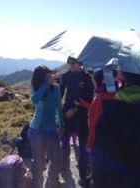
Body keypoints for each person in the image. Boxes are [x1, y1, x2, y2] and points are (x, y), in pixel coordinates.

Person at [27, 65, 70, 188]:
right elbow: (34, 100)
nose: (51, 76)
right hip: (37, 129)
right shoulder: (37, 88)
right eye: (48, 74)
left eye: (50, 74)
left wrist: (61, 124)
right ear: (42, 77)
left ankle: (52, 182)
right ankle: (36, 184)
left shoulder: (56, 88)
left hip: (51, 129)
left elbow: (58, 107)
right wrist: (46, 84)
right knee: (39, 161)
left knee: (56, 159)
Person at [59, 57, 94, 187]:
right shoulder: (66, 76)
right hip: (66, 115)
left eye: (73, 63)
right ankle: (64, 167)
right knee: (64, 142)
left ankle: (83, 175)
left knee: (83, 146)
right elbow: (60, 94)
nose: (70, 65)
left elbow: (89, 99)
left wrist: (74, 109)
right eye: (68, 63)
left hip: (81, 116)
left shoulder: (87, 77)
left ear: (80, 64)